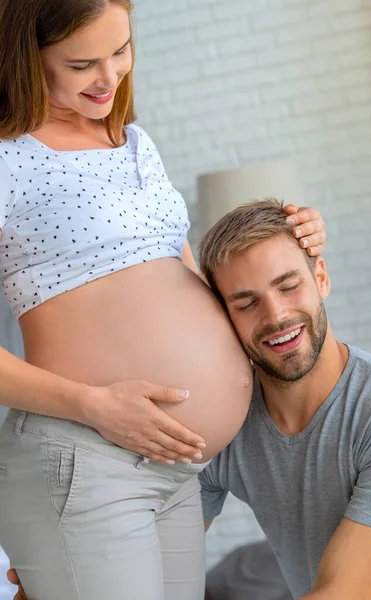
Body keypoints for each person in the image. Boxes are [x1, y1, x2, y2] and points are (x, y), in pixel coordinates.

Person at [0, 1, 326, 598]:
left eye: (121, 51)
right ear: (26, 56)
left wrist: (292, 244)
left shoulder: (133, 141)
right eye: (81, 63)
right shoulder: (7, 158)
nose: (110, 77)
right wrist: (94, 404)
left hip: (177, 471)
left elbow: (184, 280)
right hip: (88, 456)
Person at [198, 199, 371, 599]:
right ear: (224, 319)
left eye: (289, 286)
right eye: (247, 303)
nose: (276, 316)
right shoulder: (226, 421)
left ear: (320, 279)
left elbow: (342, 593)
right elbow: (159, 553)